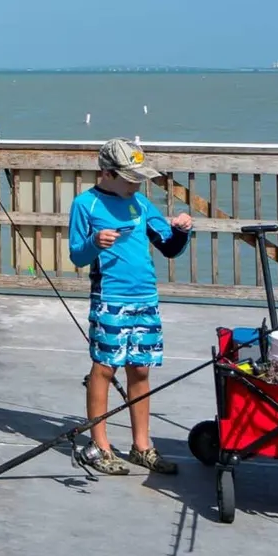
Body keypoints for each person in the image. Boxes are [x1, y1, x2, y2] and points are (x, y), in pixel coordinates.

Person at [68, 138, 191, 474]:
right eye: (130, 177)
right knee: (104, 368)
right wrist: (94, 242)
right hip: (110, 297)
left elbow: (169, 247)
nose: (136, 183)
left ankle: (142, 445)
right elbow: (77, 255)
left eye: (139, 177)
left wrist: (181, 231)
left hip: (145, 298)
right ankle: (101, 443)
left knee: (140, 369)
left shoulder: (140, 203)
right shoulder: (85, 205)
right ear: (107, 173)